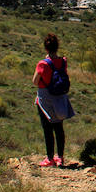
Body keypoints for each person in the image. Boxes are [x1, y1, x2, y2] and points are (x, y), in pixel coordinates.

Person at [32, 33, 75, 167]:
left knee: (47, 128)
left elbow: (35, 81)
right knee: (59, 128)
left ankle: (50, 158)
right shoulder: (63, 61)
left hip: (45, 97)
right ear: (57, 47)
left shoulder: (43, 64)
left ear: (46, 48)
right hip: (60, 97)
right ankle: (60, 157)